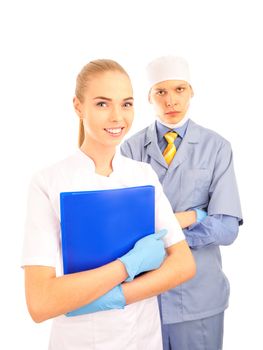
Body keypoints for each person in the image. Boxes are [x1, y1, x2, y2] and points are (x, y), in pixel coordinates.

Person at [22, 59, 196, 350]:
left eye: (126, 104)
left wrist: (114, 296)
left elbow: (183, 264)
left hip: (144, 338)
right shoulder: (48, 182)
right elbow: (40, 301)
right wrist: (127, 266)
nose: (117, 117)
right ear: (78, 107)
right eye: (103, 104)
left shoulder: (143, 175)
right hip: (80, 340)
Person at [121, 55, 243, 350]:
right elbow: (124, 227)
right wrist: (193, 215)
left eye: (179, 90)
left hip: (199, 297)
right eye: (160, 92)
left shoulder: (217, 148)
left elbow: (227, 228)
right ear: (148, 97)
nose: (170, 101)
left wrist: (161, 238)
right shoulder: (130, 148)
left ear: (192, 91)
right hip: (145, 296)